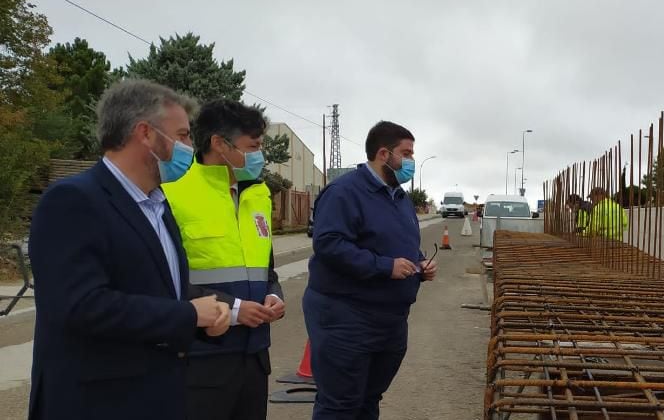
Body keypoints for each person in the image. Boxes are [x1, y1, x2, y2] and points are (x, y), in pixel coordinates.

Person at [28, 80, 231, 420]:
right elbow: (79, 306)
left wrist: (206, 320)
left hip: (157, 397)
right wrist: (189, 315)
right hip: (97, 403)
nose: (189, 148)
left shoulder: (158, 207)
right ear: (145, 133)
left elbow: (157, 290)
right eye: (181, 135)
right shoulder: (72, 201)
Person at [303, 120, 439, 419]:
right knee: (341, 403)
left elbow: (396, 244)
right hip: (346, 317)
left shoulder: (400, 198)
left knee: (368, 399)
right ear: (383, 154)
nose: (411, 161)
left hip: (389, 320)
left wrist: (418, 264)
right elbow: (329, 245)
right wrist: (384, 267)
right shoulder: (344, 191)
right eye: (406, 153)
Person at [162, 100, 285, 420]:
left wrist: (274, 294)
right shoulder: (172, 193)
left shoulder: (259, 194)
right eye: (253, 146)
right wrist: (233, 310)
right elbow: (162, 279)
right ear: (219, 143)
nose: (260, 155)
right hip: (200, 358)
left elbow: (265, 267)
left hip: (255, 357)